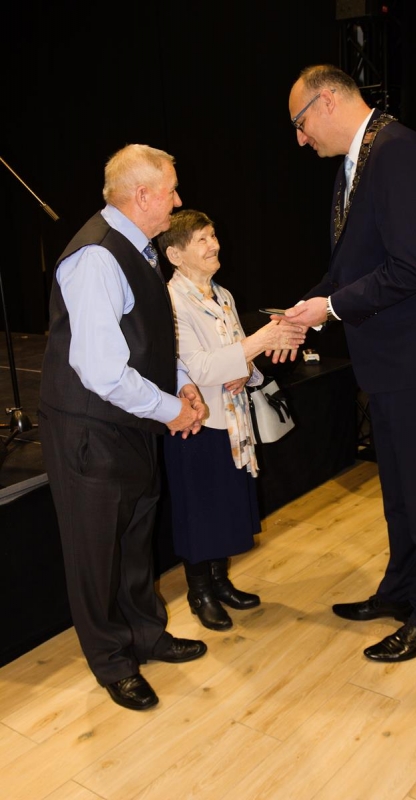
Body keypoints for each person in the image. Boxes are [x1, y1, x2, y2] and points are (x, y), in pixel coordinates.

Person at [283, 65, 416, 662]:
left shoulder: (397, 151)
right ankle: (400, 591)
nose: (300, 139)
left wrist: (330, 308)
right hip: (394, 360)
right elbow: (350, 266)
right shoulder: (359, 159)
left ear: (326, 102)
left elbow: (413, 266)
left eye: (300, 123)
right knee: (399, 491)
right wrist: (305, 310)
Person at [38, 144, 209, 711]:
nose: (178, 201)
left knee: (135, 539)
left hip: (131, 421)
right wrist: (170, 409)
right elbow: (101, 369)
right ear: (142, 195)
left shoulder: (138, 248)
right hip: (91, 430)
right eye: (172, 190)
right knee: (96, 554)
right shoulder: (96, 257)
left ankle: (146, 635)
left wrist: (181, 382)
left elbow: (148, 337)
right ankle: (112, 660)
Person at [157, 209, 305, 631]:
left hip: (233, 419)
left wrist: (247, 367)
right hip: (196, 421)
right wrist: (258, 343)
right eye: (202, 240)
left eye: (213, 235)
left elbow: (241, 355)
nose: (214, 245)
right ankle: (199, 591)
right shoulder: (170, 301)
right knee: (199, 509)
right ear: (175, 255)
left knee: (224, 505)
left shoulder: (223, 295)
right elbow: (198, 368)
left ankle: (220, 582)